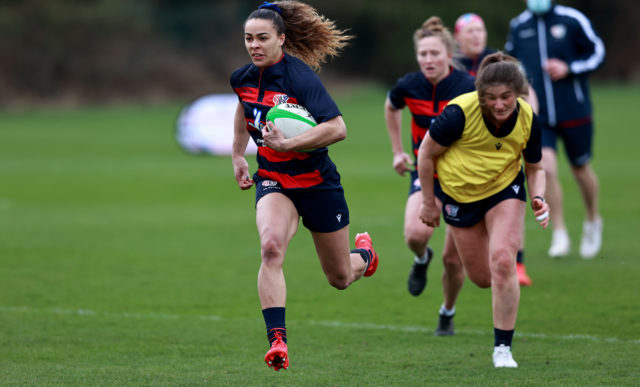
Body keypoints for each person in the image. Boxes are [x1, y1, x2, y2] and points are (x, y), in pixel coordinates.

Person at [229, 1, 379, 371]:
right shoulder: (242, 78)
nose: (254, 45)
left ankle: (365, 257)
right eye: (249, 38)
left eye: (263, 38)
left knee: (340, 278)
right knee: (270, 247)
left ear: (282, 38)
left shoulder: (301, 79)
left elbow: (337, 128)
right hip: (274, 179)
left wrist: (288, 144)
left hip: (317, 184)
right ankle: (277, 341)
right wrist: (238, 155)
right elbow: (243, 107)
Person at [417, 52, 550, 367]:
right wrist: (427, 202)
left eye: (507, 97)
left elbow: (535, 167)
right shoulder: (459, 113)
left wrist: (539, 197)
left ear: (518, 93)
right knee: (481, 278)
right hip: (459, 196)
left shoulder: (528, 117)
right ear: (481, 96)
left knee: (504, 260)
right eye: (491, 98)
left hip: (505, 189)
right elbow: (425, 154)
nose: (500, 104)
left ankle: (502, 348)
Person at [384, 16, 474, 336]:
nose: (428, 60)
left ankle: (447, 312)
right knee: (414, 236)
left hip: (463, 181)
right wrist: (398, 151)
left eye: (435, 54)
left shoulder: (467, 87)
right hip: (427, 173)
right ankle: (422, 260)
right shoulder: (410, 85)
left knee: (453, 261)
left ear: (449, 55)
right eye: (423, 54)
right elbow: (391, 106)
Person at [506, 0, 605, 259]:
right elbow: (510, 64)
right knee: (546, 167)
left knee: (580, 169)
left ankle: (593, 219)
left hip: (574, 110)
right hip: (539, 114)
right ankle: (559, 232)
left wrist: (569, 68)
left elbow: (597, 52)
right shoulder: (519, 26)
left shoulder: (572, 19)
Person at [454, 12, 534, 286]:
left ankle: (516, 261)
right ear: (457, 37)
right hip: (465, 152)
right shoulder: (453, 66)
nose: (476, 35)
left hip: (504, 146)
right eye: (470, 31)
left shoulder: (500, 62)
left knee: (512, 198)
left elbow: (526, 92)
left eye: (480, 29)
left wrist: (530, 119)